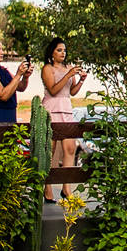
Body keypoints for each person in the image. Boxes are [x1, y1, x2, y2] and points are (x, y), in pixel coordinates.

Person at [41, 37, 88, 204]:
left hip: (66, 109)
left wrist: (81, 80)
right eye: (59, 50)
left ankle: (66, 188)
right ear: (52, 53)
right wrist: (68, 74)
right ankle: (47, 187)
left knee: (70, 147)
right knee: (50, 150)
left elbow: (72, 91)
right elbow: (53, 90)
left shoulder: (69, 68)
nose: (63, 53)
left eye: (64, 50)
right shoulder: (48, 68)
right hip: (52, 109)